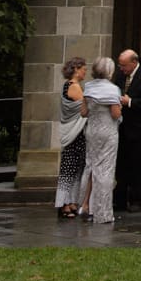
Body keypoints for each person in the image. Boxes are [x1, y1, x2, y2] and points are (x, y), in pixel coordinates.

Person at [113, 48, 141, 212]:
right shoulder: (119, 77)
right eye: (120, 65)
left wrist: (131, 102)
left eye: (124, 65)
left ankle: (135, 199)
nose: (121, 68)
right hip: (122, 128)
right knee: (121, 165)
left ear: (134, 63)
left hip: (140, 130)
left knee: (137, 166)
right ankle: (119, 198)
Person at [80, 56, 123, 224]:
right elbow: (115, 114)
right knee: (105, 170)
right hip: (107, 132)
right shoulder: (112, 90)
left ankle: (85, 205)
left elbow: (83, 112)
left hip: (92, 131)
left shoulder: (88, 87)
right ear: (110, 72)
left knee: (90, 166)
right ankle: (102, 212)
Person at [54, 56, 87, 218]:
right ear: (75, 69)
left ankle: (71, 201)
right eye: (83, 69)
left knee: (76, 168)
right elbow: (85, 106)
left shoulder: (76, 85)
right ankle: (63, 203)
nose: (85, 71)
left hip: (79, 134)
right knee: (70, 168)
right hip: (75, 134)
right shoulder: (73, 86)